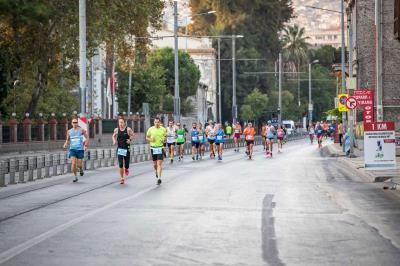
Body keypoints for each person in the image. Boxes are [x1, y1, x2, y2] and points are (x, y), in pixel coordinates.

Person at [63, 118, 89, 182]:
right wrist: (65, 144)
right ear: (71, 123)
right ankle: (75, 176)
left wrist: (86, 145)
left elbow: (87, 137)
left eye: (76, 122)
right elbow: (67, 139)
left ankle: (80, 168)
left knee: (79, 164)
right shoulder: (69, 131)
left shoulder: (81, 130)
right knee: (73, 163)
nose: (75, 123)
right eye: (74, 122)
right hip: (72, 149)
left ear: (77, 123)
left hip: (80, 149)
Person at [112, 118, 134, 184]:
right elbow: (113, 136)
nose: (120, 124)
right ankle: (122, 178)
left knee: (126, 164)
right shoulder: (116, 130)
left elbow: (133, 135)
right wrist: (114, 140)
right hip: (120, 149)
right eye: (119, 122)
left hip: (127, 148)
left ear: (124, 123)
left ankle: (126, 168)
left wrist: (130, 140)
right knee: (121, 164)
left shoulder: (128, 129)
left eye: (122, 122)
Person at [146, 117, 167, 185]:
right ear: (154, 122)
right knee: (155, 165)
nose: (157, 123)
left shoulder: (163, 129)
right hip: (153, 148)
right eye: (155, 122)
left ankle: (159, 178)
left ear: (160, 122)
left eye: (158, 122)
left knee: (159, 164)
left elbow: (165, 136)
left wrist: (164, 139)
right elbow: (147, 137)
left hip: (160, 148)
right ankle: (156, 171)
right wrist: (150, 140)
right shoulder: (150, 129)